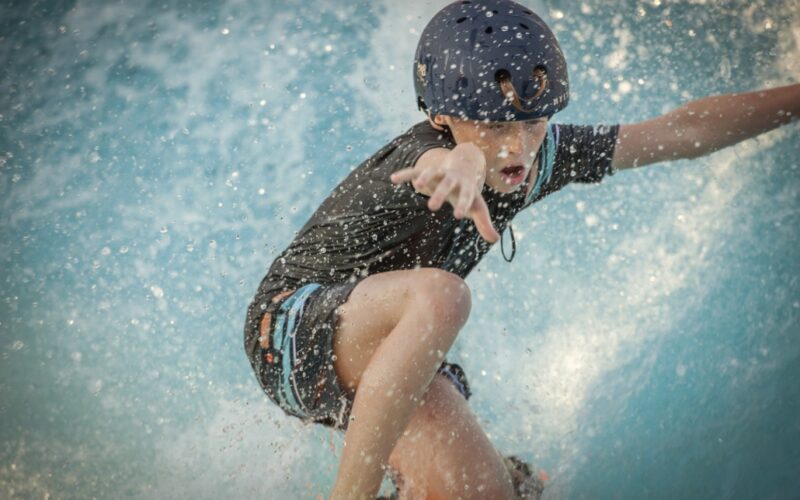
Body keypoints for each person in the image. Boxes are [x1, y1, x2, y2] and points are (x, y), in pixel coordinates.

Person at [243, 1, 799, 498]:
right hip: (292, 331)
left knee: (495, 493)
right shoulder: (424, 158)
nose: (517, 147)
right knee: (444, 297)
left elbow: (678, 131)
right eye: (491, 126)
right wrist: (463, 164)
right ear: (442, 119)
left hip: (385, 365)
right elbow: (448, 162)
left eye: (533, 122)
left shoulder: (544, 156)